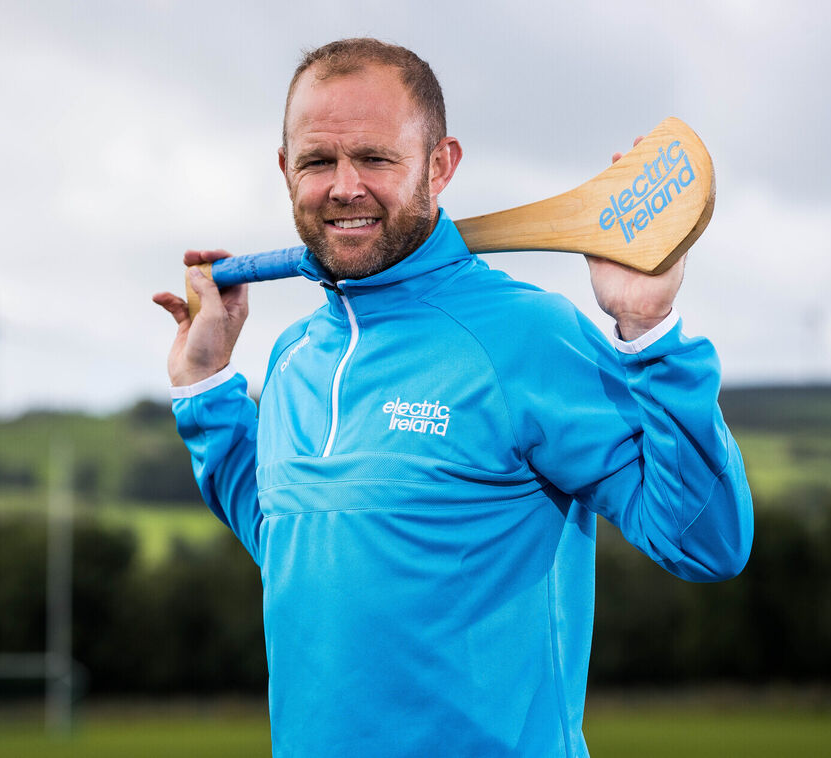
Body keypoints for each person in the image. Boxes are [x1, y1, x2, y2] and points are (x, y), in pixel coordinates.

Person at [153, 38, 753, 758]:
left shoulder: (528, 336)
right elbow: (291, 542)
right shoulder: (294, 357)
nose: (344, 186)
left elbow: (708, 540)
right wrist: (207, 388)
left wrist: (648, 328)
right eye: (317, 161)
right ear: (286, 170)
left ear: (441, 165)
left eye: (375, 158)